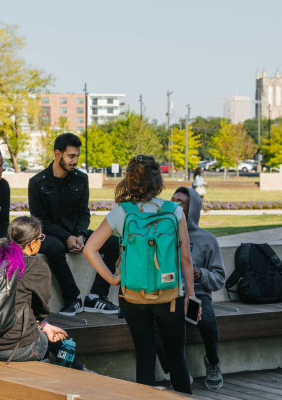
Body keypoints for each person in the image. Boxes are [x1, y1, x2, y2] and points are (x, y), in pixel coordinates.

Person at [83, 155, 196, 394]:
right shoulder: (174, 211)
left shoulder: (122, 212)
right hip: (170, 295)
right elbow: (185, 257)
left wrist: (114, 279)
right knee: (176, 358)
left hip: (132, 295)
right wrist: (191, 295)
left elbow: (89, 248)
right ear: (158, 179)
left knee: (144, 356)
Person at [28, 133, 119, 316]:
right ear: (57, 154)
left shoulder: (80, 179)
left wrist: (80, 235)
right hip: (52, 235)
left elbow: (84, 213)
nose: (75, 160)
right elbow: (40, 221)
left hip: (76, 234)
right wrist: (66, 237)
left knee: (113, 242)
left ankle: (96, 296)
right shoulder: (37, 182)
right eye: (71, 156)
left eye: (77, 156)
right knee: (53, 247)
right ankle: (73, 298)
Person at [0, 216, 84, 369]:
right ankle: (76, 372)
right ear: (33, 244)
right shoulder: (36, 267)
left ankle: (78, 370)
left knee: (47, 333)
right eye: (41, 238)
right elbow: (42, 311)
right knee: (55, 342)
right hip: (15, 348)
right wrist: (44, 325)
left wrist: (44, 326)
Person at [172, 186, 225, 390]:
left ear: (192, 208)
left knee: (207, 321)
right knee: (164, 325)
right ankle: (179, 369)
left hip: (197, 294)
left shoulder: (207, 239)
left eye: (181, 202)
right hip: (170, 293)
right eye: (173, 200)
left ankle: (213, 362)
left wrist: (200, 274)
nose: (175, 204)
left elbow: (219, 277)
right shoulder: (165, 233)